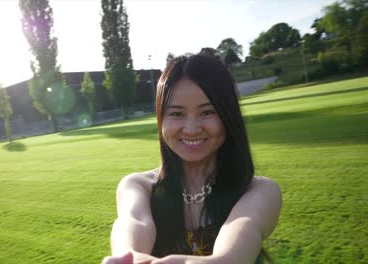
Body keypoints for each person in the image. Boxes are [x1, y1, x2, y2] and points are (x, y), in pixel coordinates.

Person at [102, 54, 282, 264]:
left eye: (207, 112)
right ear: (161, 121)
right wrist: (130, 258)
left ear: (228, 115)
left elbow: (232, 255)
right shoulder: (138, 186)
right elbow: (133, 222)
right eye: (177, 114)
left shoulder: (259, 190)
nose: (191, 129)